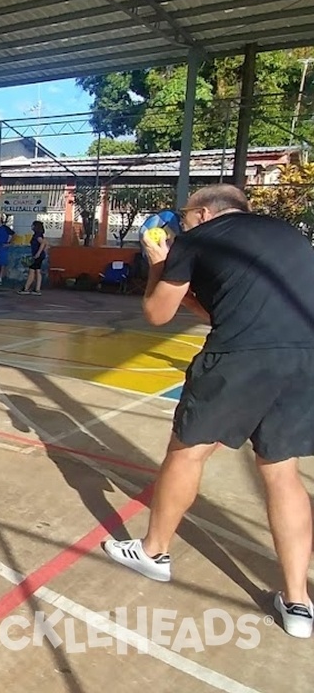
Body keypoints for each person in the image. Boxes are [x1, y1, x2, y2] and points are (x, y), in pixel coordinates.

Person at [101, 184, 314, 639]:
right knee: (281, 471)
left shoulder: (199, 239)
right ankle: (298, 602)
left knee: (188, 452)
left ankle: (154, 552)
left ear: (201, 214)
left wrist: (159, 262)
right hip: (306, 358)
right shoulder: (289, 234)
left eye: (185, 215)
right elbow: (222, 308)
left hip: (240, 357)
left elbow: (158, 314)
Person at [18, 221, 46, 295]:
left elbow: (43, 243)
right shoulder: (38, 235)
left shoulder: (38, 235)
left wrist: (38, 253)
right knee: (37, 271)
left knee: (32, 271)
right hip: (38, 255)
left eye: (33, 226)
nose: (31, 227)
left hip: (37, 256)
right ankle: (37, 289)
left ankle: (26, 288)